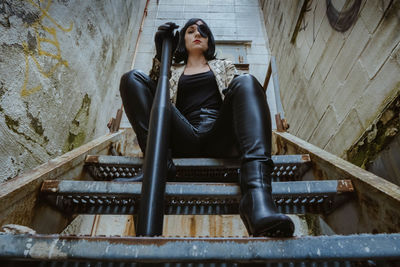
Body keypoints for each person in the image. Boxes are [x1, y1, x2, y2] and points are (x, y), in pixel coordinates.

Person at [117, 18, 295, 237]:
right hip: (183, 134)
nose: (197, 33)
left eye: (203, 30)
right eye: (191, 30)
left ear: (209, 41)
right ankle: (158, 162)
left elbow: (239, 97)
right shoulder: (172, 69)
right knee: (132, 79)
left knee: (247, 81)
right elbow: (152, 93)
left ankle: (257, 199)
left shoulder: (224, 65)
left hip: (218, 136)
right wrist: (161, 54)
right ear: (183, 40)